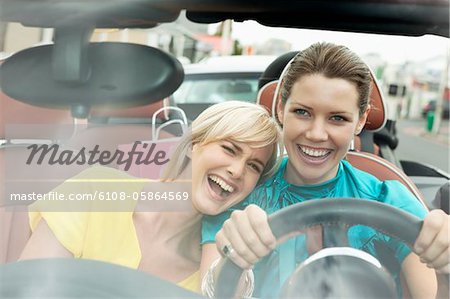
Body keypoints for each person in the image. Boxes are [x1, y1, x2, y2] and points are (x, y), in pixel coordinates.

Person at [200, 43, 450, 298]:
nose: (316, 134)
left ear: (360, 121)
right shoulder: (241, 191)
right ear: (280, 110)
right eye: (302, 112)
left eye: (337, 118)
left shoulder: (390, 202)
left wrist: (445, 268)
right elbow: (215, 290)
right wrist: (236, 257)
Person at [19, 101, 283, 293]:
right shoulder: (94, 191)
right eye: (229, 149)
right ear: (194, 145)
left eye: (253, 166)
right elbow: (26, 289)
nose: (237, 171)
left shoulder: (209, 270)